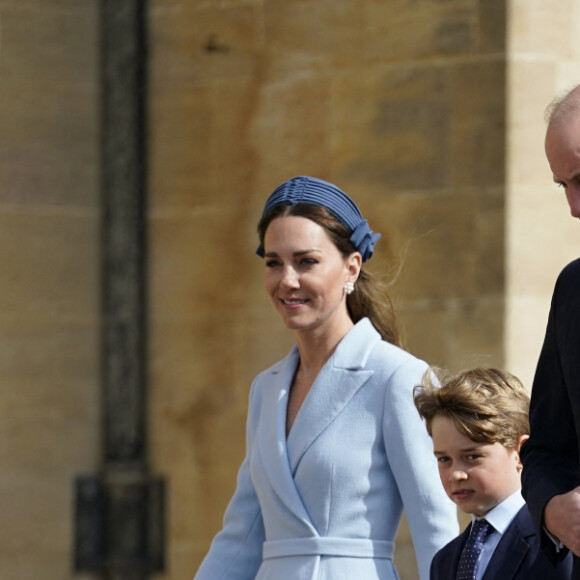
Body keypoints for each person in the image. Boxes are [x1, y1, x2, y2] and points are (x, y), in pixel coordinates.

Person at [194, 176, 458, 580]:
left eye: (306, 261)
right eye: (273, 262)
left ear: (352, 267)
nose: (287, 280)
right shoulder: (266, 388)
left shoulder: (398, 376)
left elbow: (434, 528)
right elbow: (241, 537)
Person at [414, 367, 572, 579]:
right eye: (444, 459)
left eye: (472, 457)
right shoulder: (445, 561)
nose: (456, 474)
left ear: (520, 452)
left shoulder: (557, 542)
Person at [520, 83, 580, 579]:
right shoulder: (574, 290)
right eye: (563, 186)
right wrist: (555, 508)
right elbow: (545, 450)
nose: (575, 208)